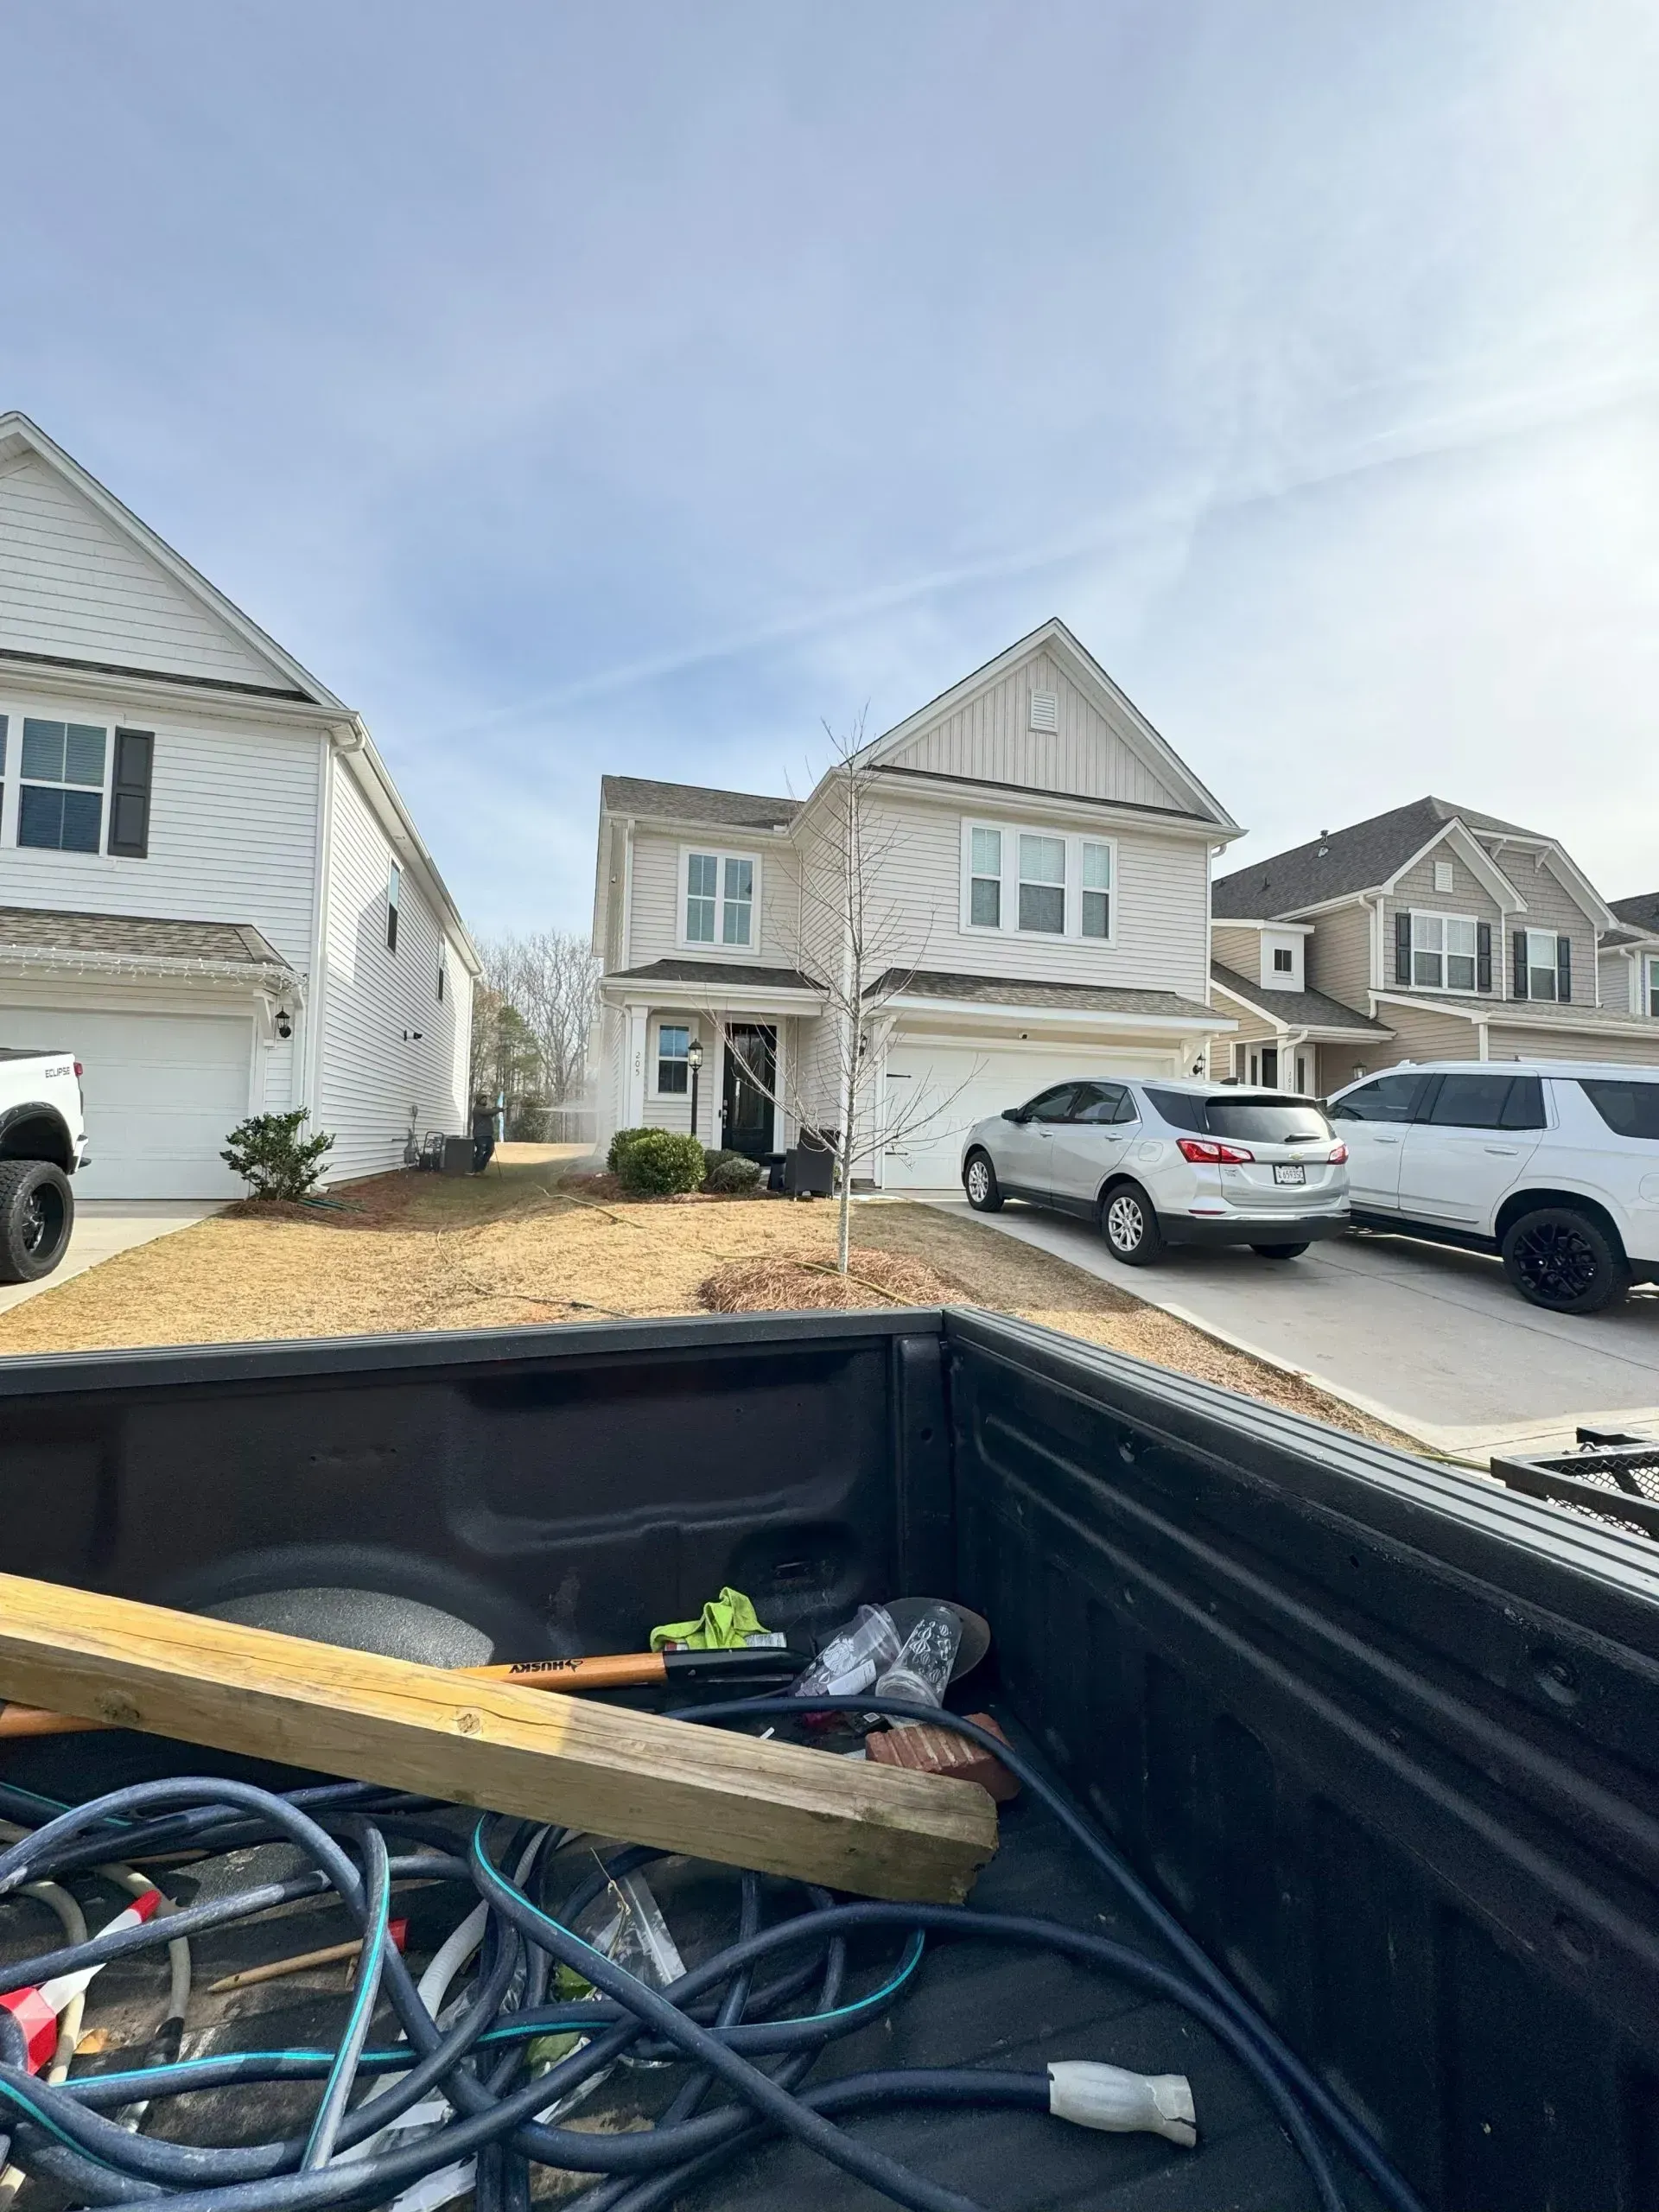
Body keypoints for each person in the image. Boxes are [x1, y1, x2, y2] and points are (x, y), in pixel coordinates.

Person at [471, 1096, 498, 1174]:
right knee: (480, 1153)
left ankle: (481, 1169)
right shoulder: (478, 1109)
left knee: (490, 1150)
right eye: (483, 1099)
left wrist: (496, 1110)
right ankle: (477, 1171)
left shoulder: (484, 1110)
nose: (485, 1100)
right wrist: (497, 1109)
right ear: (479, 1100)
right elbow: (488, 1112)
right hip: (480, 1135)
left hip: (488, 1135)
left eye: (485, 1099)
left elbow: (490, 1113)